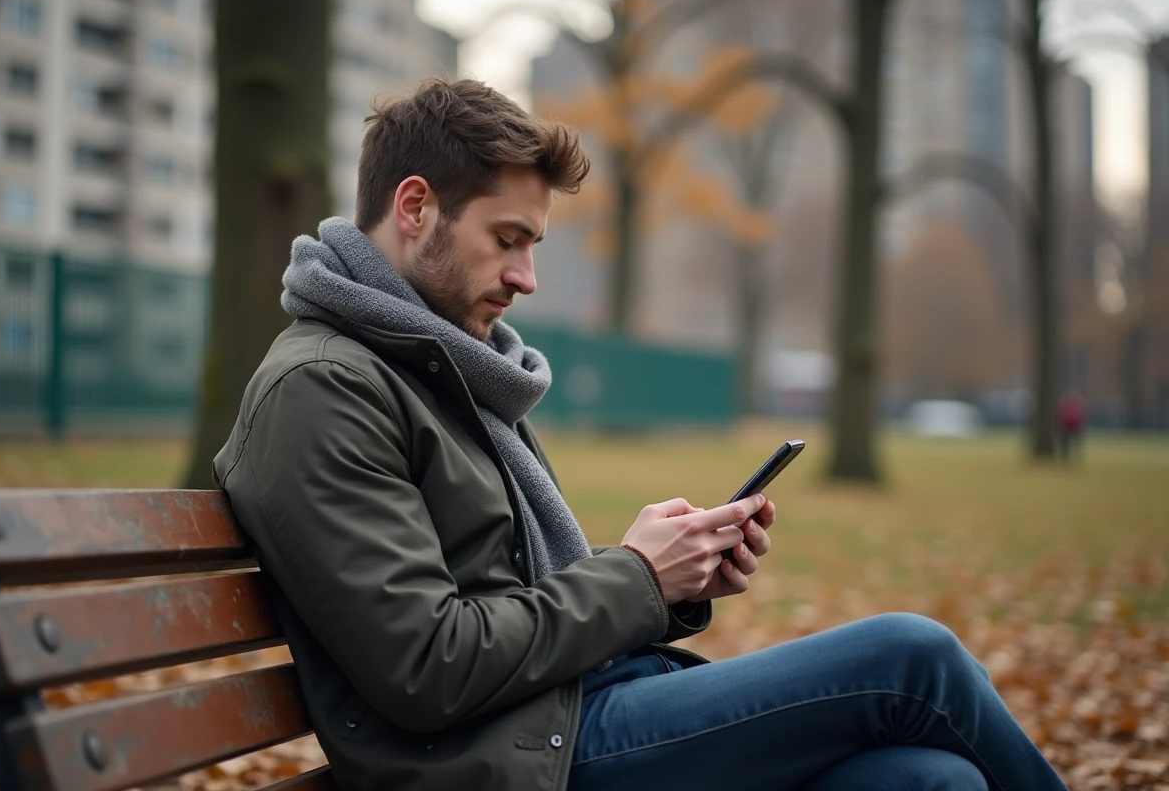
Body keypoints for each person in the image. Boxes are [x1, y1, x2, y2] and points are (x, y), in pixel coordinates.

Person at [214, 78, 1066, 791]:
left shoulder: (436, 365)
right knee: (911, 657)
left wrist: (675, 580)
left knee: (931, 781)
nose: (527, 277)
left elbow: (511, 601)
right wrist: (636, 580)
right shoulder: (325, 387)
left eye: (534, 245)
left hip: (568, 716)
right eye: (507, 240)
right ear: (414, 207)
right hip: (511, 761)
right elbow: (430, 664)